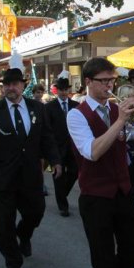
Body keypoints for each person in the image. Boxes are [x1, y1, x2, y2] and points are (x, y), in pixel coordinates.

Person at [66, 57, 134, 268]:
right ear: (88, 82)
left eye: (112, 80)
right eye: (104, 81)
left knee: (132, 254)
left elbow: (125, 136)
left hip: (122, 192)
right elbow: (93, 151)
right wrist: (120, 121)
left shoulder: (114, 108)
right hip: (96, 197)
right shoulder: (76, 115)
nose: (110, 85)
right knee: (103, 260)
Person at [0, 67, 62, 268]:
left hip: (31, 175)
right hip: (3, 177)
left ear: (23, 86)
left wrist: (55, 160)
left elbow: (47, 137)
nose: (10, 88)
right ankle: (13, 262)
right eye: (7, 84)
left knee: (36, 212)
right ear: (2, 88)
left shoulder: (37, 108)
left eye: (15, 84)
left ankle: (23, 234)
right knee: (3, 223)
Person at [44, 77, 79, 217]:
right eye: (61, 90)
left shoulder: (76, 105)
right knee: (58, 175)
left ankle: (62, 194)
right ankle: (63, 206)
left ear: (69, 90)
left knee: (74, 172)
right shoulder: (49, 107)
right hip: (56, 147)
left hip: (73, 146)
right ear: (56, 91)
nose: (63, 92)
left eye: (66, 90)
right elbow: (47, 129)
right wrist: (49, 148)